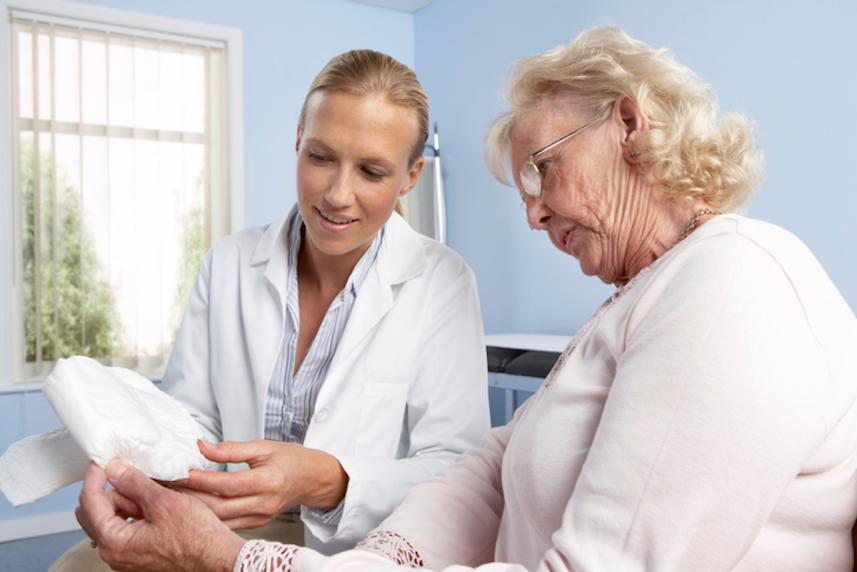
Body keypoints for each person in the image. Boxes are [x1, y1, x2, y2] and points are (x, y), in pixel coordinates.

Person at [77, 27, 857, 571]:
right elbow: (485, 471)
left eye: (542, 169)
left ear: (627, 123)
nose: (532, 213)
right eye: (523, 187)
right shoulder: (640, 298)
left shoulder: (732, 285)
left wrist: (243, 558)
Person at [59, 49, 490, 570]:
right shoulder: (229, 262)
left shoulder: (442, 283)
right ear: (298, 140)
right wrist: (153, 480)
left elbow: (458, 472)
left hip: (361, 544)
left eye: (372, 171)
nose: (338, 194)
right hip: (223, 519)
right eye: (320, 157)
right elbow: (191, 417)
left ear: (411, 176)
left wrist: (328, 480)